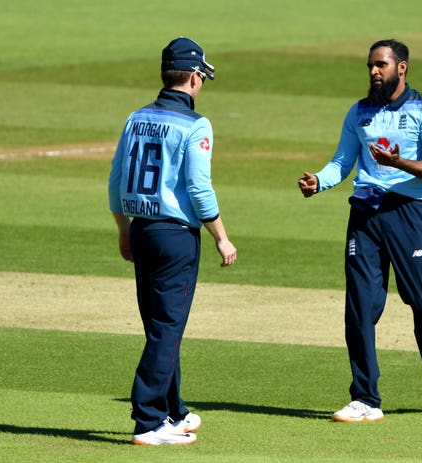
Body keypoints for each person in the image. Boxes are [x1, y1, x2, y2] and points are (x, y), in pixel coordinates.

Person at [298, 38, 422, 422]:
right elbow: (342, 161)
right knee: (360, 307)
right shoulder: (359, 112)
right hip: (366, 213)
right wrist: (319, 181)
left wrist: (400, 163)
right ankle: (366, 398)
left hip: (409, 212)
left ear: (401, 68)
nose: (374, 71)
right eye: (371, 65)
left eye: (381, 65)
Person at [108, 36, 237, 445]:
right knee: (167, 327)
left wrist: (124, 229)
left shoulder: (136, 117)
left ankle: (173, 411)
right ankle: (148, 420)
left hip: (142, 230)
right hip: (175, 235)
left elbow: (115, 181)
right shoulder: (196, 124)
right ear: (195, 77)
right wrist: (221, 236)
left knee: (162, 326)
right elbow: (199, 188)